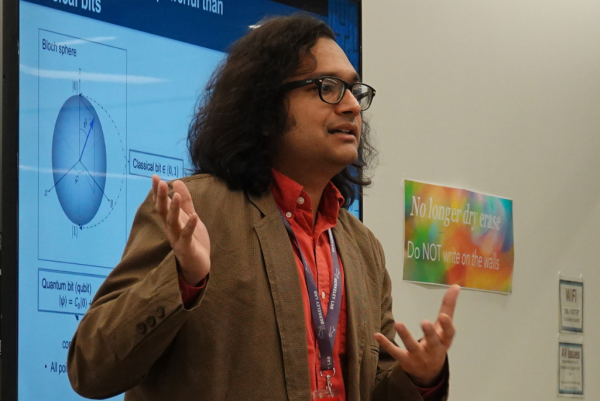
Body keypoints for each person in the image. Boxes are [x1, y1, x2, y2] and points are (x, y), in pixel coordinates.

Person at [67, 14, 460, 401]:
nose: (352, 108)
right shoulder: (192, 208)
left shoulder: (364, 249)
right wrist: (182, 278)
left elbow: (373, 387)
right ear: (266, 109)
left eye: (354, 92)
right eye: (327, 87)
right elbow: (91, 368)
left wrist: (420, 378)